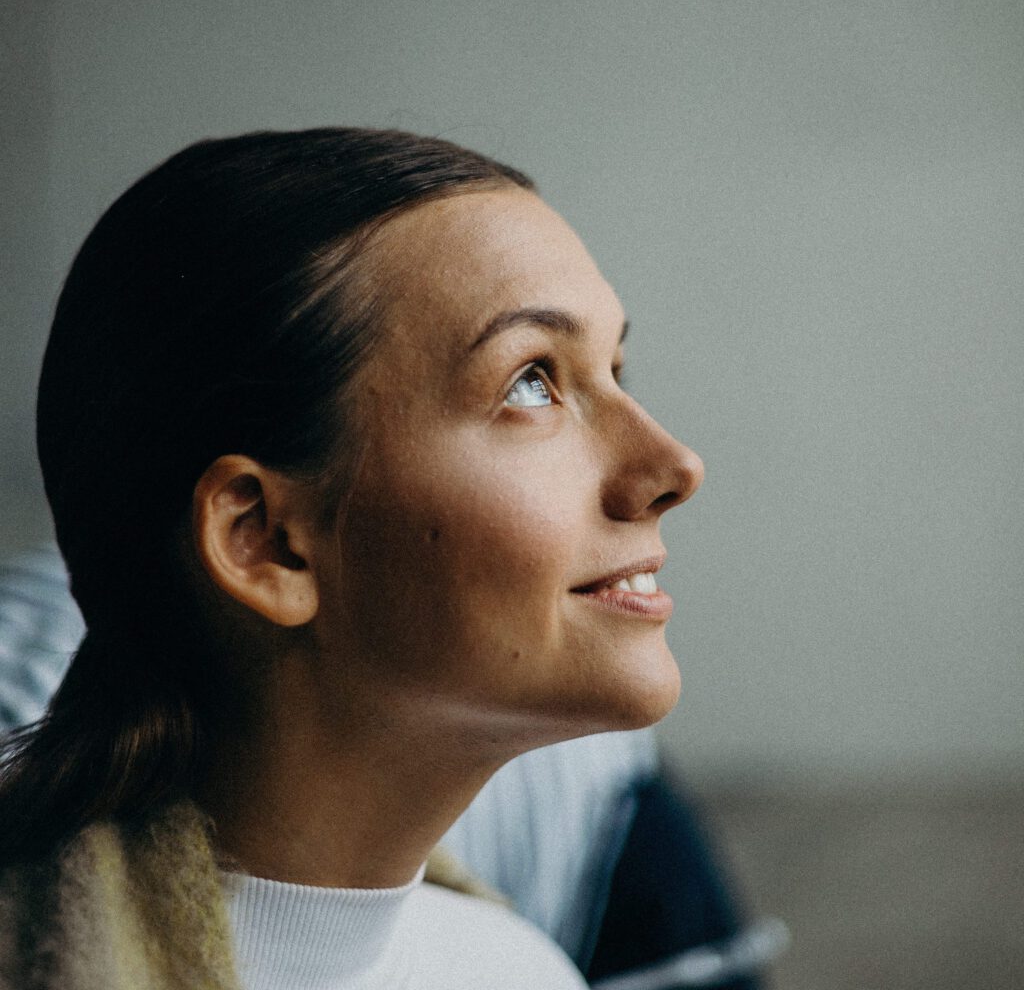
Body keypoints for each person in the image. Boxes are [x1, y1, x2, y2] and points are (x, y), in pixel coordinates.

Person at [0, 128, 704, 989]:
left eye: (616, 370)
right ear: (265, 543)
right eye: (532, 382)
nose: (673, 467)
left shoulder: (517, 971)